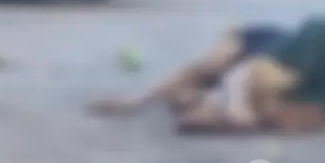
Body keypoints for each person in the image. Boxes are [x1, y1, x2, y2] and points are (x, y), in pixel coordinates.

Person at [90, 16, 325, 134]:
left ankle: (199, 100)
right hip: (277, 59)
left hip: (263, 48)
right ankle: (200, 101)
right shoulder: (238, 77)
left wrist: (135, 102)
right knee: (213, 73)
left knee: (211, 66)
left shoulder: (244, 57)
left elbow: (209, 73)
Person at [87, 24, 288, 117]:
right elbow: (235, 78)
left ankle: (193, 95)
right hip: (251, 42)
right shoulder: (260, 68)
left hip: (243, 77)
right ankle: (139, 100)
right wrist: (135, 103)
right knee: (209, 65)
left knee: (198, 97)